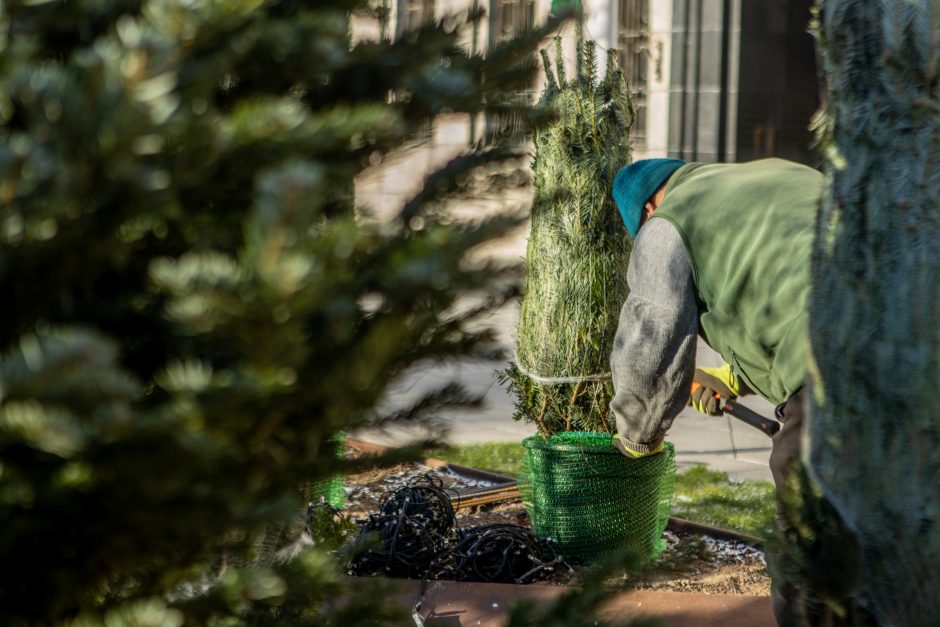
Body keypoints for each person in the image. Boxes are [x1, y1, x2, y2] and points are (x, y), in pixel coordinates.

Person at [606, 157, 823, 627]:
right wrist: (731, 375)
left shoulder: (666, 225)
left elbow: (652, 340)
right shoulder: (779, 174)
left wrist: (638, 435)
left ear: (645, 211)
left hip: (832, 375)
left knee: (811, 559)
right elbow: (784, 279)